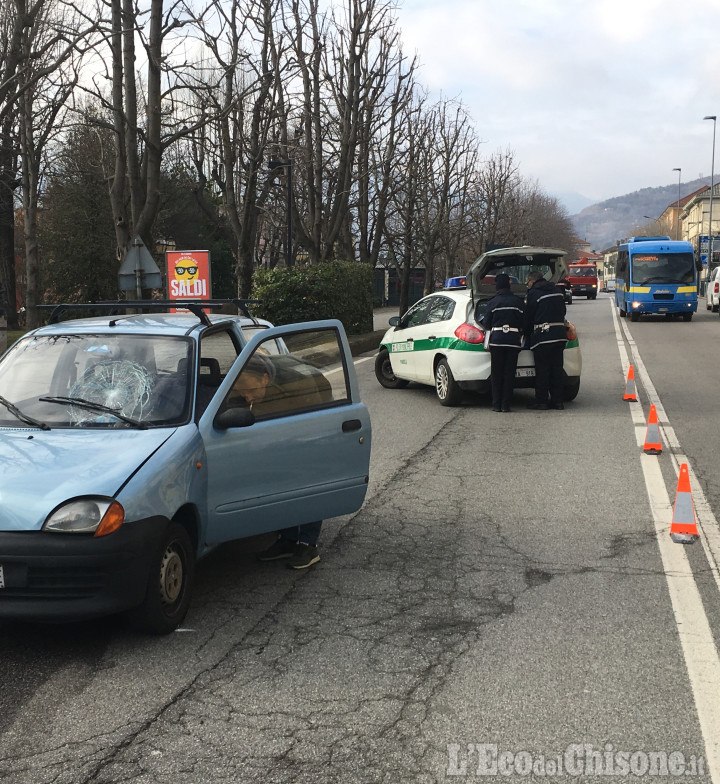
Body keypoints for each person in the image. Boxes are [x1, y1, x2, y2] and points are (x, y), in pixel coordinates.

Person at [230, 353, 324, 569]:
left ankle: (308, 544)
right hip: (282, 445)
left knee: (307, 486)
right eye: (242, 393)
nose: (247, 398)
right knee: (282, 487)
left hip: (308, 438)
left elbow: (312, 421)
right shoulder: (260, 394)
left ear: (264, 378)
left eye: (250, 391)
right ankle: (288, 539)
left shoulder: (296, 389)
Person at [480, 273, 525, 412]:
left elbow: (487, 324)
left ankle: (496, 404)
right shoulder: (518, 302)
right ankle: (506, 405)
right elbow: (524, 322)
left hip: (497, 340)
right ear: (509, 285)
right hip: (513, 341)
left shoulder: (493, 302)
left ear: (497, 286)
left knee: (497, 373)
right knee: (509, 373)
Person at [524, 270, 567, 410]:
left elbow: (529, 316)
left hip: (543, 336)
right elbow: (563, 311)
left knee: (542, 370)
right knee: (557, 369)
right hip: (560, 335)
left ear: (532, 281)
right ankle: (558, 401)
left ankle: (541, 401)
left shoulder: (534, 293)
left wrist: (526, 333)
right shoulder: (557, 290)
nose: (527, 285)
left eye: (527, 282)